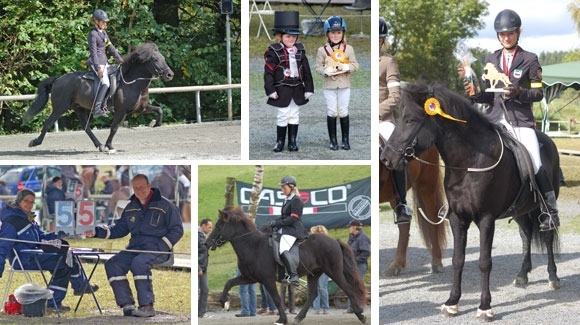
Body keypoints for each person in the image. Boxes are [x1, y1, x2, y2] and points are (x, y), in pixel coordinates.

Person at [463, 9, 558, 231]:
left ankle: (550, 212)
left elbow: (539, 93)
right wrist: (476, 94)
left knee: (535, 160)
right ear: (498, 36)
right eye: (502, 34)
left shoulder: (530, 60)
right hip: (494, 119)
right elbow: (491, 94)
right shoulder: (491, 59)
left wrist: (519, 93)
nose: (506, 37)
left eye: (510, 33)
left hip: (520, 120)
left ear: (518, 33)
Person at [90, 174, 184, 317]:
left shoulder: (166, 205)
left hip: (157, 249)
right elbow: (119, 229)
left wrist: (161, 246)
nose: (139, 190)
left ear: (148, 186)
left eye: (142, 187)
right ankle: (127, 305)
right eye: (136, 188)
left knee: (139, 263)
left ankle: (147, 306)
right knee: (113, 264)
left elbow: (177, 230)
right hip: (135, 248)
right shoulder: (131, 206)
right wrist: (96, 232)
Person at [0, 189, 98, 312]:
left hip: (36, 256)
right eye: (26, 201)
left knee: (65, 259)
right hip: (24, 260)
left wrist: (57, 234)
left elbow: (41, 238)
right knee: (65, 260)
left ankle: (59, 299)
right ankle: (76, 288)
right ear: (19, 201)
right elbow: (2, 246)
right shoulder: (11, 222)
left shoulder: (29, 219)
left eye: (32, 202)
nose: (29, 205)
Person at [378, 17, 413, 224]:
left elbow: (395, 96)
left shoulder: (387, 61)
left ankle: (401, 203)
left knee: (395, 151)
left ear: (383, 40)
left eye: (379, 39)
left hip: (383, 119)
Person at [264, 11, 314, 152]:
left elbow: (306, 70)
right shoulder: (273, 51)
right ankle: (280, 142)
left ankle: (292, 141)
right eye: (287, 36)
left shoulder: (300, 50)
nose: (291, 39)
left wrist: (309, 88)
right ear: (280, 36)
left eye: (293, 36)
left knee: (294, 114)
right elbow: (268, 73)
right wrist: (270, 90)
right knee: (283, 114)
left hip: (297, 87)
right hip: (282, 89)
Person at [315, 16, 359, 150]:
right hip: (329, 86)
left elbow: (355, 64)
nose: (336, 35)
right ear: (327, 33)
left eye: (338, 32)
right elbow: (317, 67)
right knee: (332, 111)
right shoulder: (322, 50)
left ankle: (345, 139)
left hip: (344, 84)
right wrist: (325, 71)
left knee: (344, 111)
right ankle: (333, 140)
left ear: (343, 33)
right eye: (333, 32)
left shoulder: (348, 49)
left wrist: (348, 67)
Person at [86, 9, 124, 118]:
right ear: (96, 21)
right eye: (103, 22)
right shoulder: (93, 34)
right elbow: (93, 53)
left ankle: (107, 104)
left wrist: (120, 59)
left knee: (116, 77)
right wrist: (98, 68)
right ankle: (97, 109)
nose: (105, 24)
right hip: (96, 62)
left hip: (105, 62)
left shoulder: (104, 33)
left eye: (105, 22)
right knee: (106, 83)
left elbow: (110, 47)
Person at [269, 175, 306, 286]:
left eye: (284, 188)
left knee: (283, 250)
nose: (282, 190)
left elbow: (293, 218)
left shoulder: (296, 200)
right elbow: (284, 216)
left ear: (291, 187)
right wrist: (274, 222)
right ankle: (284, 273)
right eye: (282, 188)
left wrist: (279, 223)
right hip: (286, 229)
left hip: (293, 230)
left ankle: (294, 276)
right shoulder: (287, 200)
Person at [345, 220, 370, 313]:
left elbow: (366, 252)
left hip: (359, 265)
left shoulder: (362, 238)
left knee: (358, 286)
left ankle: (359, 307)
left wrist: (354, 260)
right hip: (353, 265)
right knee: (351, 285)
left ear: (354, 227)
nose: (349, 228)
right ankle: (352, 307)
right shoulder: (352, 237)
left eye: (350, 227)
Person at [310, 225, 329, 314]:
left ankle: (326, 307)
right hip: (314, 268)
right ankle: (316, 308)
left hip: (324, 268)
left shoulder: (327, 244)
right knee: (315, 289)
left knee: (322, 288)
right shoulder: (312, 245)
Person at [198, 218, 213, 319]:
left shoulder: (204, 236)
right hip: (199, 267)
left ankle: (201, 312)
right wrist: (197, 267)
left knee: (205, 289)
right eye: (209, 227)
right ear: (203, 226)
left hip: (204, 268)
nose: (210, 229)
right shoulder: (197, 236)